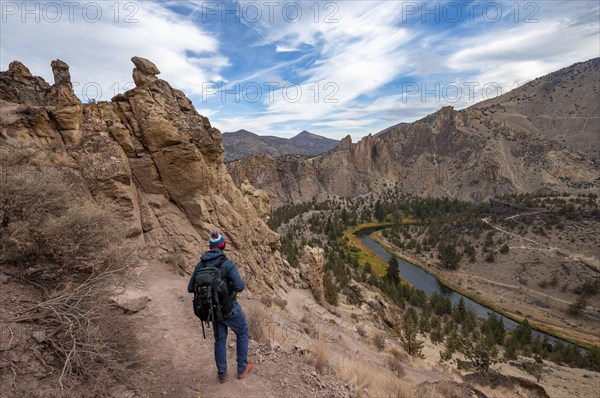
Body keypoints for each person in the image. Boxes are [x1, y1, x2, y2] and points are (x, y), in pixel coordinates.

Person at [187, 231, 253, 383]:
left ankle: (222, 374)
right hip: (229, 308)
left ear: (210, 247)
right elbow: (240, 286)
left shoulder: (200, 265)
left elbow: (190, 288)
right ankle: (242, 368)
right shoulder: (228, 264)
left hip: (212, 310)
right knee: (242, 331)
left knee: (219, 339)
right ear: (223, 245)